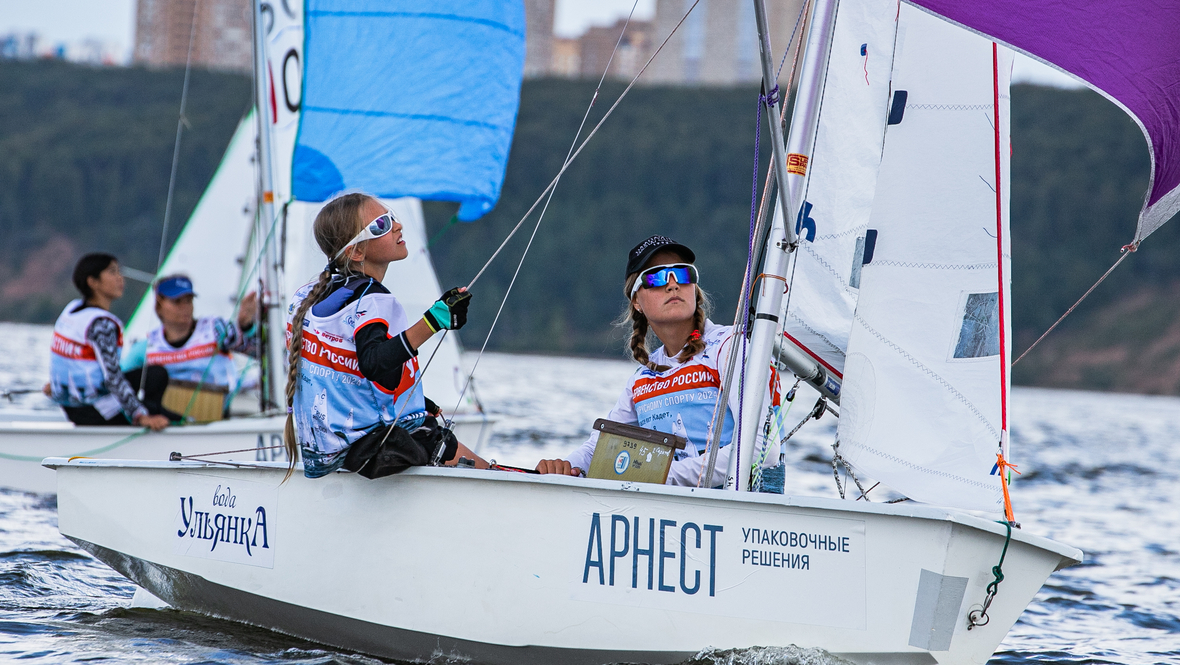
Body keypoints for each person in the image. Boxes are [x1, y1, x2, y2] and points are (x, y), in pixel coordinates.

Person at [535, 235, 780, 486]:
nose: (673, 285)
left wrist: (662, 477)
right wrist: (564, 468)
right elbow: (597, 449)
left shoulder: (731, 347)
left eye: (683, 275)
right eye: (656, 277)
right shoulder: (642, 379)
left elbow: (763, 450)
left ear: (694, 289)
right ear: (636, 301)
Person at [282, 193, 488, 478]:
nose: (397, 225)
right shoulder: (373, 299)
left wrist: (417, 403)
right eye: (381, 225)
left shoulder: (307, 296)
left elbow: (353, 373)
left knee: (425, 420)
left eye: (391, 216)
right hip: (371, 451)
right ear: (356, 252)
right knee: (447, 445)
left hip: (333, 451)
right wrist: (434, 320)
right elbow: (374, 363)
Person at [46, 253, 172, 431]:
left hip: (71, 406)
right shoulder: (102, 324)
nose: (120, 279)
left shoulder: (72, 310)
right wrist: (141, 416)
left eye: (119, 272)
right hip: (95, 412)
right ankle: (151, 424)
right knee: (158, 376)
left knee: (152, 375)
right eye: (112, 272)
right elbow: (112, 378)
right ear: (93, 282)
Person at [121, 275, 258, 394]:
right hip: (166, 421)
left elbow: (260, 353)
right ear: (158, 305)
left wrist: (247, 326)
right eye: (177, 301)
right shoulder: (145, 348)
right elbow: (117, 381)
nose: (185, 307)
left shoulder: (216, 329)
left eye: (188, 300)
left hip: (217, 419)